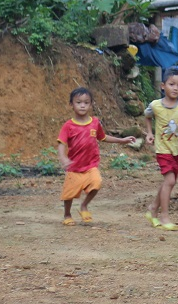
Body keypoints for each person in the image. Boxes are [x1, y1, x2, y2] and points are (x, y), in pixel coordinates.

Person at [57, 87, 138, 226]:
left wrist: (121, 140)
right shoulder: (68, 126)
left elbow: (103, 137)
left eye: (86, 102)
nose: (82, 105)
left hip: (90, 165)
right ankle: (67, 214)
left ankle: (84, 206)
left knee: (96, 182)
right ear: (71, 104)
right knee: (69, 194)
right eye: (78, 102)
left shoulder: (94, 122)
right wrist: (63, 158)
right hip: (74, 167)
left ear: (91, 104)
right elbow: (61, 143)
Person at [142, 67, 178, 231]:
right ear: (163, 86)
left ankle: (153, 208)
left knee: (169, 182)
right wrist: (149, 133)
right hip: (162, 150)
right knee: (170, 181)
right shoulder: (155, 105)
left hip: (177, 151)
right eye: (171, 84)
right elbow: (147, 116)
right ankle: (164, 216)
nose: (175, 88)